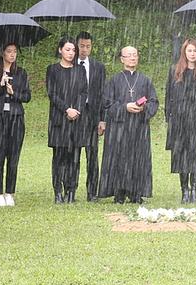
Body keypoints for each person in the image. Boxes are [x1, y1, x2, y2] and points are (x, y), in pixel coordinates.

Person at [98, 46, 158, 203]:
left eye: (134, 55)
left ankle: (136, 192)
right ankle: (119, 192)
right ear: (122, 59)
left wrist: (143, 108)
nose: (132, 58)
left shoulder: (145, 80)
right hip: (119, 127)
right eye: (128, 55)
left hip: (139, 127)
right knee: (119, 158)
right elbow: (107, 104)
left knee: (138, 158)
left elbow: (153, 101)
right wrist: (125, 107)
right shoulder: (114, 80)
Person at [166, 38, 196, 204]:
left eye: (195, 51)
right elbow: (169, 96)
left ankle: (194, 190)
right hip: (180, 120)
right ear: (184, 52)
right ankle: (184, 190)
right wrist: (169, 117)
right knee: (181, 155)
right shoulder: (175, 71)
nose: (192, 54)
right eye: (189, 51)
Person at [0, 42, 31, 207]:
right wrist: (0, 86)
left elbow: (27, 97)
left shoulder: (21, 73)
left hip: (16, 117)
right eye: (9, 51)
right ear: (2, 53)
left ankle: (10, 192)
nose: (12, 54)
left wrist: (13, 92)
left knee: (13, 155)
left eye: (15, 51)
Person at [47, 37, 88, 203]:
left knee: (74, 157)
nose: (71, 53)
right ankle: (58, 191)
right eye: (67, 49)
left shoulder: (80, 70)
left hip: (76, 119)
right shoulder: (53, 70)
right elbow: (52, 93)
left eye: (73, 50)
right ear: (60, 50)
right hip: (59, 119)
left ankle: (71, 191)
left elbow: (84, 92)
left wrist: (76, 109)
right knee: (59, 157)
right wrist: (66, 109)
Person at [75, 32, 106, 201]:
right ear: (76, 45)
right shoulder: (70, 65)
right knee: (73, 154)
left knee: (92, 154)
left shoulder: (98, 67)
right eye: (82, 46)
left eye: (88, 46)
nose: (84, 49)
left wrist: (102, 118)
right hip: (75, 112)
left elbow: (102, 94)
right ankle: (71, 189)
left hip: (92, 113)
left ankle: (92, 191)